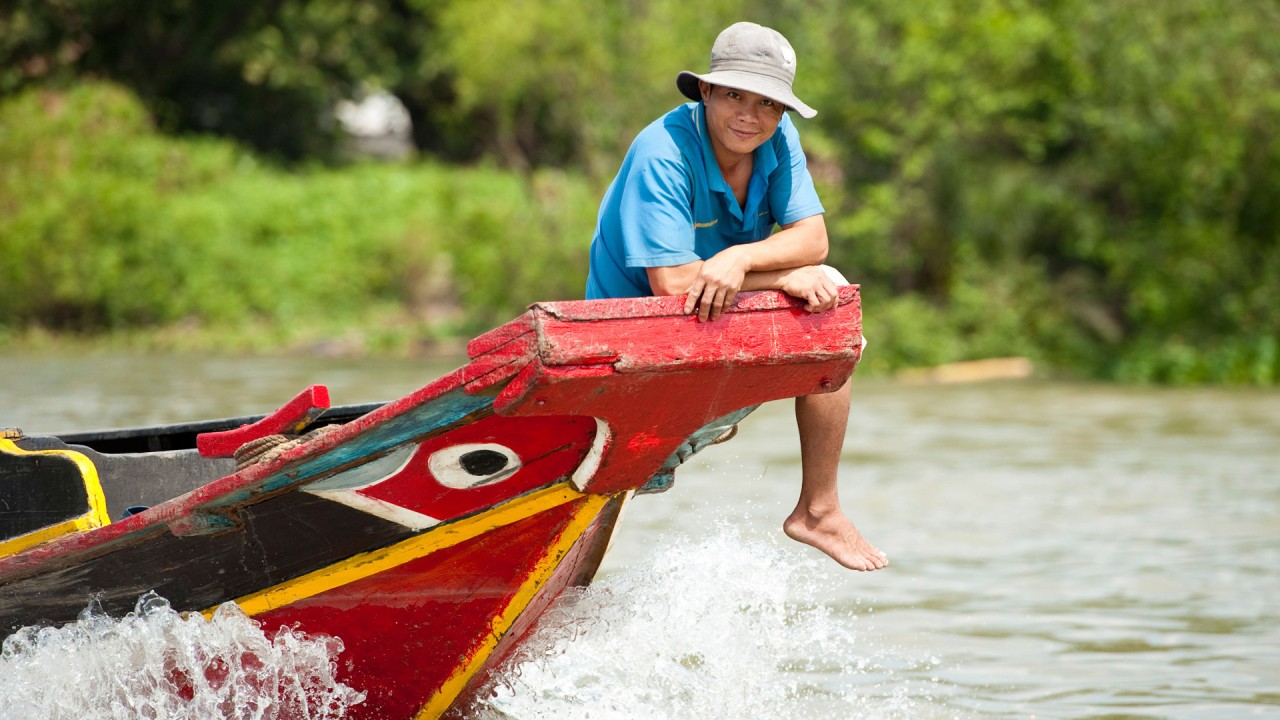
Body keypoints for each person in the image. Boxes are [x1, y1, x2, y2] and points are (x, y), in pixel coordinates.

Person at [585, 22, 888, 571]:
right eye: (734, 96)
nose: (750, 116)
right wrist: (780, 277)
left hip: (716, 311)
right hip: (637, 337)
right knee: (818, 284)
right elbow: (672, 284)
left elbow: (813, 239)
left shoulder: (777, 139)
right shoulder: (662, 151)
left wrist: (742, 257)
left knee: (833, 300)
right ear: (705, 92)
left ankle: (818, 510)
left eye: (768, 103)